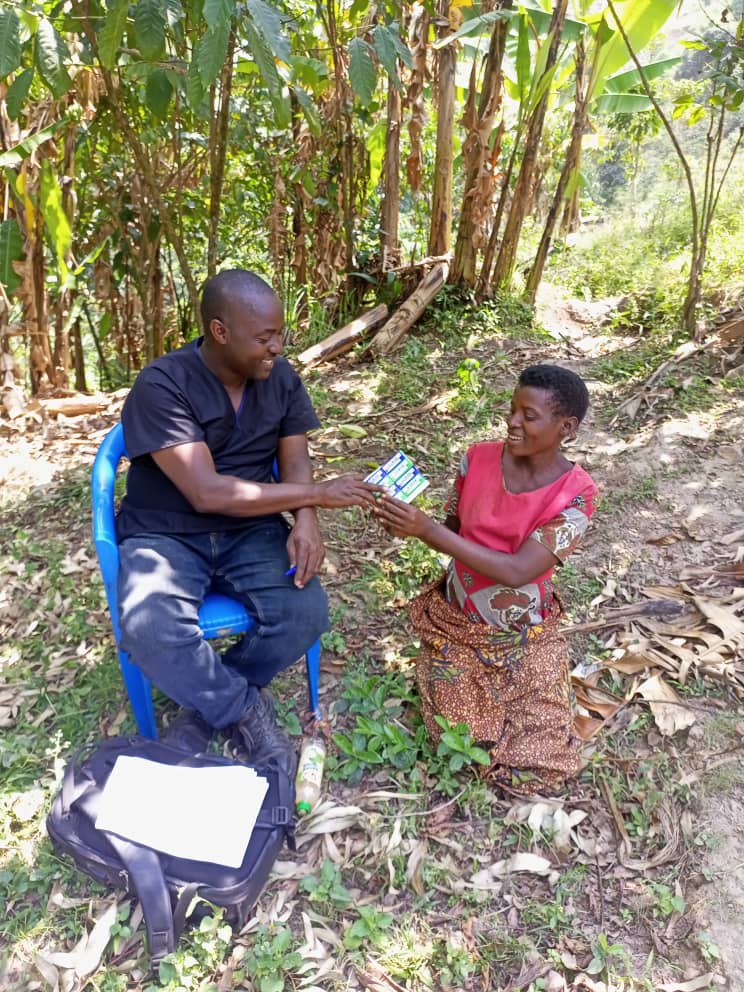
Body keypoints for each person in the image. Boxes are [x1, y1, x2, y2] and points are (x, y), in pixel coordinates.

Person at [116, 269, 381, 761]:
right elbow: (206, 493)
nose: (276, 347)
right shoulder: (163, 383)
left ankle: (204, 709)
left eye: (279, 334)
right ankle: (243, 710)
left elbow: (295, 457)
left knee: (304, 613)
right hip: (167, 532)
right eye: (264, 337)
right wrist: (319, 495)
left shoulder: (279, 379)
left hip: (251, 529)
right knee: (149, 629)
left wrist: (306, 517)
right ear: (220, 331)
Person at [375, 364, 598, 794]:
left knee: (543, 752)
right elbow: (454, 532)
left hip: (525, 633)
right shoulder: (476, 458)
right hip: (457, 623)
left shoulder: (577, 493)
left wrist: (426, 530)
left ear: (566, 427)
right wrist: (403, 522)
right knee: (461, 740)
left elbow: (518, 572)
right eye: (512, 409)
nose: (512, 422)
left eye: (528, 416)